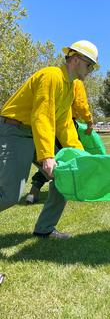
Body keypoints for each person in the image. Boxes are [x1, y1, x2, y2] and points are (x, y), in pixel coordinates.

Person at [0, 40, 98, 239]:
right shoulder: (51, 76)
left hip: (32, 134)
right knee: (11, 195)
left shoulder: (69, 87)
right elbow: (41, 116)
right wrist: (46, 156)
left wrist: (79, 156)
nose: (90, 71)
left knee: (65, 175)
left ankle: (44, 229)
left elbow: (64, 125)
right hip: (14, 131)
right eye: (90, 66)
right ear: (77, 60)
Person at [26, 79, 94, 204]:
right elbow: (80, 104)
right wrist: (89, 120)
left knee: (53, 159)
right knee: (70, 158)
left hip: (51, 123)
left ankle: (34, 191)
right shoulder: (76, 82)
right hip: (66, 124)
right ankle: (77, 189)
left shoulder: (56, 82)